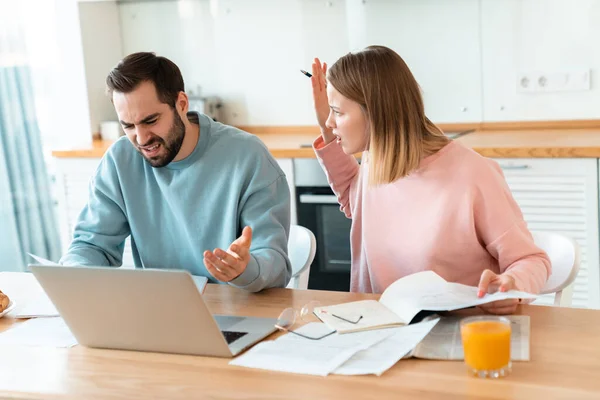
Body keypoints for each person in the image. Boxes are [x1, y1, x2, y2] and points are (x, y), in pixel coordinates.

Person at [308, 45, 551, 314]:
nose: (330, 122)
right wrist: (325, 126)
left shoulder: (473, 175)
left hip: (461, 334)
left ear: (376, 112)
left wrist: (512, 285)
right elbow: (355, 202)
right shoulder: (374, 160)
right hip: (383, 331)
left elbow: (531, 260)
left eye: (337, 112)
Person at [59, 52, 291, 292]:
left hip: (235, 311)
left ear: (181, 104)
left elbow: (275, 265)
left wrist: (246, 269)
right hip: (160, 311)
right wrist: (74, 274)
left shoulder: (247, 156)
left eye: (150, 121)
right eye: (128, 125)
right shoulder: (121, 160)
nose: (141, 138)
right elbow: (92, 245)